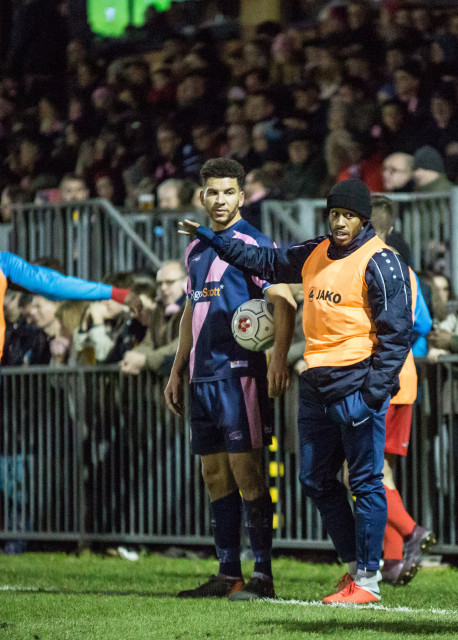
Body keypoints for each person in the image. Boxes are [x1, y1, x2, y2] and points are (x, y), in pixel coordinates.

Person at [178, 177, 412, 604]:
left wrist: (371, 397)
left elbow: (397, 338)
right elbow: (262, 260)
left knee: (365, 482)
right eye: (334, 214)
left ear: (364, 219)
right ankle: (354, 569)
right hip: (317, 384)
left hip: (357, 383)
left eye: (348, 215)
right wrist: (213, 237)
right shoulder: (316, 251)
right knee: (314, 479)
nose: (339, 222)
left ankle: (370, 580)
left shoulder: (382, 262)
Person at [165, 158, 296, 601]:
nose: (219, 200)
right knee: (213, 473)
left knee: (248, 474)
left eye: (227, 192)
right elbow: (191, 310)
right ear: (202, 197)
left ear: (241, 196)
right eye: (212, 193)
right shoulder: (196, 249)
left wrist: (278, 360)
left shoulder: (253, 243)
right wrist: (177, 368)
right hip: (203, 377)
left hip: (240, 375)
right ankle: (228, 573)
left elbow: (283, 300)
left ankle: (262, 575)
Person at [369, 195, 434, 586]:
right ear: (391, 228)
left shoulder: (365, 264)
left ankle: (410, 532)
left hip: (377, 381)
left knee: (357, 471)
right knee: (379, 469)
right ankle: (393, 559)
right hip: (402, 379)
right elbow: (421, 323)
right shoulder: (404, 270)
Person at [0, 252, 129, 367]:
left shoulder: (4, 263)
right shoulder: (4, 263)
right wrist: (113, 293)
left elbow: (53, 286)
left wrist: (113, 293)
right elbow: (53, 286)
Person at [120, 261, 187, 377]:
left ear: (187, 282)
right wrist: (131, 357)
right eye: (160, 283)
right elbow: (148, 343)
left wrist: (146, 360)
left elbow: (180, 345)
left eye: (170, 282)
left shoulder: (196, 308)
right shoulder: (159, 309)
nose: (163, 287)